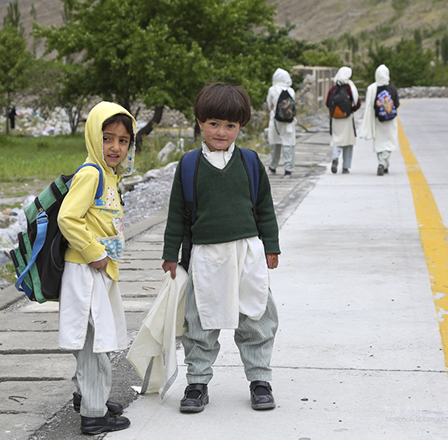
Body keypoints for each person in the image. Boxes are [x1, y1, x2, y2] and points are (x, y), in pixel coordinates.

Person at [162, 82, 281, 414]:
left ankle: (260, 380)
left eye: (230, 125)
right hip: (205, 257)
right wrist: (171, 254)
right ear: (200, 121)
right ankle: (197, 383)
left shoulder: (250, 163)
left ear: (240, 126)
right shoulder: (188, 166)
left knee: (257, 317)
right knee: (199, 322)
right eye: (214, 123)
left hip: (247, 254)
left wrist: (271, 246)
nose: (221, 131)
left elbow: (265, 208)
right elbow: (176, 216)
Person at [57, 101, 136, 435]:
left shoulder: (108, 175)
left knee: (91, 338)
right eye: (107, 138)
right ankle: (93, 413)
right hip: (87, 271)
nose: (115, 147)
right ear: (93, 137)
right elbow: (67, 218)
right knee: (94, 342)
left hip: (97, 271)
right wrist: (93, 251)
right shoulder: (91, 174)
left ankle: (88, 396)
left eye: (122, 140)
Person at [360, 64, 400, 176]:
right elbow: (396, 104)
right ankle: (383, 163)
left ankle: (383, 164)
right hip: (390, 120)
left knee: (380, 143)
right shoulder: (392, 88)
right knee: (389, 142)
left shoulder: (373, 88)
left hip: (378, 120)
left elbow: (370, 106)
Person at [326, 67, 361, 174]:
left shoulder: (333, 89)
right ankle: (345, 166)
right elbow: (358, 103)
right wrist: (350, 110)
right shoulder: (350, 88)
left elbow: (328, 103)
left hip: (336, 118)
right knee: (348, 142)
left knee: (337, 140)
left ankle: (335, 158)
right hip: (347, 118)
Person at [266, 68, 297, 178]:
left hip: (275, 121)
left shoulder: (272, 90)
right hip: (289, 122)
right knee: (288, 144)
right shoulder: (291, 91)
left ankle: (273, 166)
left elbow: (269, 104)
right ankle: (288, 169)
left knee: (275, 142)